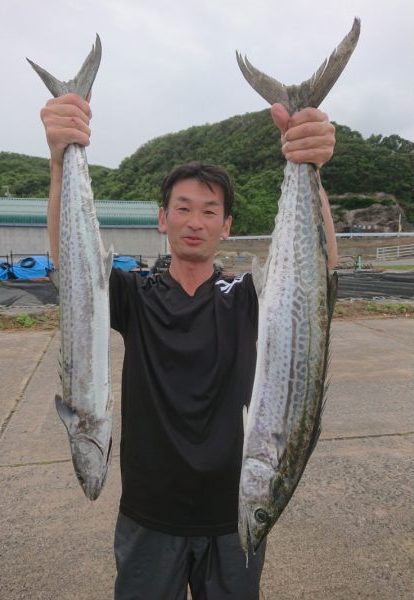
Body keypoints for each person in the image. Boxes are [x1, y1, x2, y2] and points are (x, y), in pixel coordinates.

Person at [40, 94, 337, 599]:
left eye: (209, 211)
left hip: (235, 512)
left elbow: (318, 284)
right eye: (183, 208)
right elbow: (71, 269)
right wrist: (58, 160)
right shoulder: (136, 295)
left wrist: (311, 168)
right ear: (163, 219)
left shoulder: (247, 299)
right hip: (149, 516)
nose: (195, 221)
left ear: (226, 227)